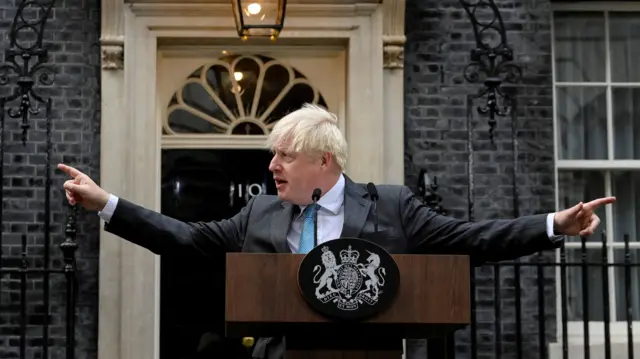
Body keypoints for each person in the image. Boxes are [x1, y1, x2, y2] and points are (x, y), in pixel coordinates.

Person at [58, 103, 615, 359]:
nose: (272, 165)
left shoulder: (394, 207)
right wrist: (107, 203)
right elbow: (185, 240)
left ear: (324, 161)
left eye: (284, 155)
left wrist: (552, 225)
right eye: (271, 154)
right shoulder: (259, 216)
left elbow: (469, 240)